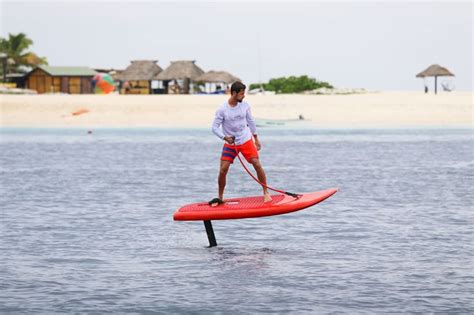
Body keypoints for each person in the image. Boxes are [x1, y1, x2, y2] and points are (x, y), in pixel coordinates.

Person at [210, 81, 272, 207]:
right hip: (231, 143)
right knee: (223, 170)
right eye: (242, 94)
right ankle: (220, 197)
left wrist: (256, 138)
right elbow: (214, 128)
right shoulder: (222, 109)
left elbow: (251, 121)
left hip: (245, 139)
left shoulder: (245, 106)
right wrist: (224, 137)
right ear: (234, 93)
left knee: (256, 164)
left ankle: (266, 192)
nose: (244, 96)